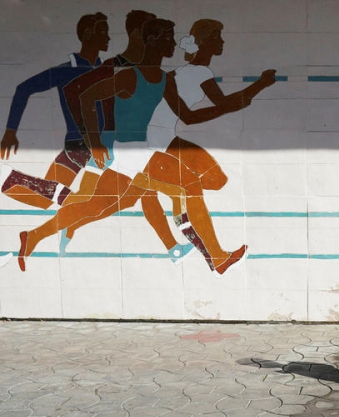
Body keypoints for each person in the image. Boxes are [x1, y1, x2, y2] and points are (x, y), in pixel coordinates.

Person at [18, 18, 249, 275]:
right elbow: (86, 97)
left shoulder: (164, 80)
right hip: (125, 151)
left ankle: (33, 236)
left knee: (97, 205)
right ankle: (217, 257)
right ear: (153, 40)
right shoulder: (130, 76)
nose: (173, 43)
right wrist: (94, 142)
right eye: (168, 37)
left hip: (137, 152)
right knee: (190, 183)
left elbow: (188, 116)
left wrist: (229, 106)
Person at [0, 12, 109, 208]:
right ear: (87, 35)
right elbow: (23, 89)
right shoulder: (66, 70)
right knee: (80, 204)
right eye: (103, 32)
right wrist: (10, 131)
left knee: (53, 201)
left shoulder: (107, 71)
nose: (108, 37)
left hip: (103, 144)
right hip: (80, 145)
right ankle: (8, 177)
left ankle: (11, 179)